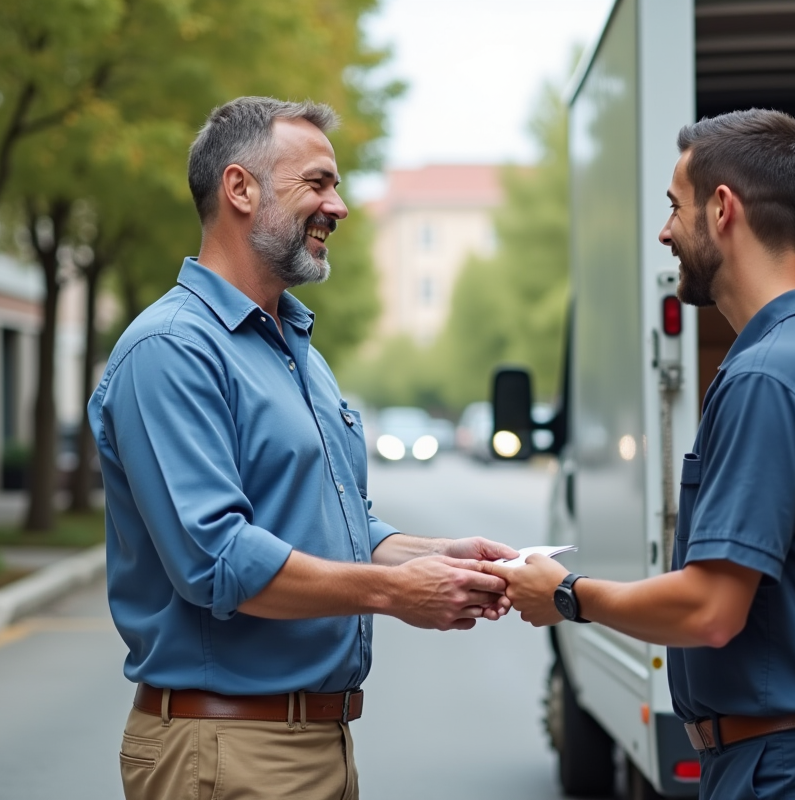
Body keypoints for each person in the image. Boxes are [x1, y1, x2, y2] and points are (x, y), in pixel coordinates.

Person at [89, 96, 517, 800]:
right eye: (317, 183)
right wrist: (396, 593)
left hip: (312, 745)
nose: (339, 206)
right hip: (228, 751)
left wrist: (438, 556)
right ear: (240, 189)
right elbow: (218, 560)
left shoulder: (294, 349)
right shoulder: (170, 351)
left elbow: (333, 523)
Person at [491, 109, 795, 798]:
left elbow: (711, 611)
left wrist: (564, 595)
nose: (665, 231)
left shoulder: (767, 377)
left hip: (793, 771)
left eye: (673, 207)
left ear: (722, 209)